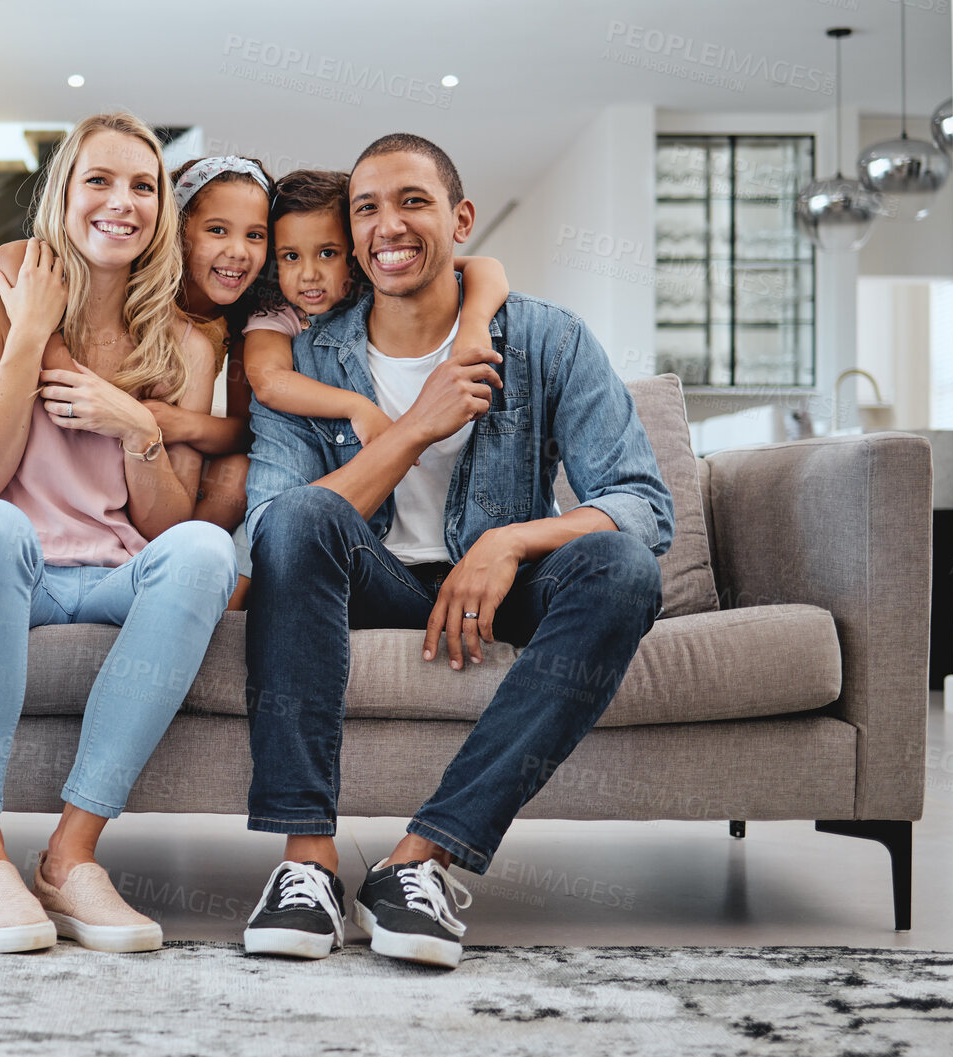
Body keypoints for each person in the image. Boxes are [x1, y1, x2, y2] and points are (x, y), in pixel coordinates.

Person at [238, 134, 674, 969]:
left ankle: (419, 861)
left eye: (412, 201)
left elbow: (641, 504)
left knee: (623, 568)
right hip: (371, 581)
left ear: (459, 218)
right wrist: (412, 430)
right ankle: (306, 867)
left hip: (499, 585)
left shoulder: (546, 338)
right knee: (298, 520)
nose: (387, 226)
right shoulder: (307, 360)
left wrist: (510, 541)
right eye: (366, 208)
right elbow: (273, 529)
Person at [0, 111, 236, 954]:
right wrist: (28, 337)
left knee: (207, 547)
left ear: (162, 209)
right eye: (99, 180)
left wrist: (137, 427)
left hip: (109, 574)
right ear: (64, 193)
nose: (121, 202)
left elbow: (165, 523)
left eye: (143, 185)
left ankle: (70, 855)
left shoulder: (187, 341)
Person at [0, 155, 273, 608]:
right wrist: (53, 351)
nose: (237, 251)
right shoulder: (128, 267)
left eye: (255, 236)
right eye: (217, 230)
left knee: (237, 473)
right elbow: (12, 256)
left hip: (161, 423)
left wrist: (171, 424)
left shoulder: (232, 323)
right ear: (176, 228)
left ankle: (178, 576)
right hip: (83, 386)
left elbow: (253, 430)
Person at [242, 168, 513, 444]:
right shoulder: (275, 311)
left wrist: (474, 323)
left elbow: (486, 267)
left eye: (327, 253)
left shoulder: (377, 279)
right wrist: (355, 407)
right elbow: (268, 382)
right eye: (291, 256)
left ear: (356, 248)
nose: (309, 273)